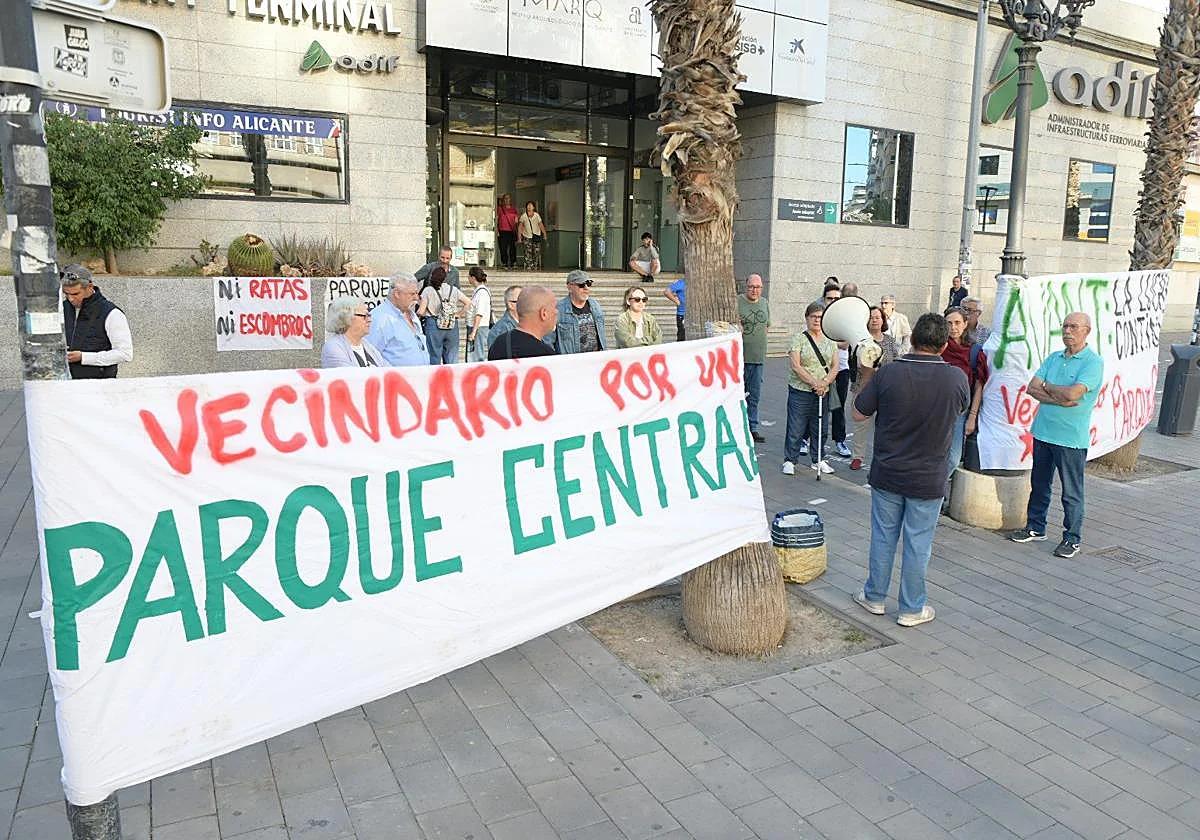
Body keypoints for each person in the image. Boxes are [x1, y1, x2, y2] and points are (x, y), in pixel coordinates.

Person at [852, 314, 968, 627]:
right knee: (919, 545)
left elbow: (858, 413)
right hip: (929, 476)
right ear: (944, 345)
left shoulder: (888, 373)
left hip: (889, 471)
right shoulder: (956, 378)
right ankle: (911, 608)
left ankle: (874, 597)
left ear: (913, 339)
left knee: (883, 537)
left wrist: (867, 375)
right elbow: (959, 410)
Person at [1008, 312, 1104, 559]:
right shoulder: (1054, 357)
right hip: (1043, 432)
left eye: (1073, 327)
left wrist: (1049, 389)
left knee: (1071, 492)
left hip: (1070, 439)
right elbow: (1032, 387)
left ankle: (1072, 538)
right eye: (1064, 326)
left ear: (1087, 330)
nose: (1067, 331)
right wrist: (1057, 396)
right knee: (1039, 484)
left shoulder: (1092, 362)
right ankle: (1035, 527)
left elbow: (1074, 394)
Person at [783, 301, 838, 476]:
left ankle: (818, 459)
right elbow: (796, 366)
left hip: (823, 391)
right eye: (813, 316)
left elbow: (835, 365)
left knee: (820, 427)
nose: (816, 320)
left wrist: (825, 382)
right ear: (806, 318)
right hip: (801, 390)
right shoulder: (798, 339)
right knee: (796, 426)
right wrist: (815, 383)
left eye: (820, 317)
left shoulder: (830, 340)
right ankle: (790, 460)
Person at [941, 307, 989, 484]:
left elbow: (979, 385)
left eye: (957, 323)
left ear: (965, 324)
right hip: (935, 411)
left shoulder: (974, 351)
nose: (953, 327)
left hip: (959, 412)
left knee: (953, 458)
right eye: (949, 323)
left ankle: (932, 488)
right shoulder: (938, 348)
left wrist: (972, 416)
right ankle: (933, 494)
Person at [60, 264, 133, 379]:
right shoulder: (62, 308)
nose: (71, 299)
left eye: (75, 294)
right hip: (66, 385)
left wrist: (83, 357)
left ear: (90, 287)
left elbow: (125, 354)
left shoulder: (112, 313)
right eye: (66, 294)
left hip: (100, 387)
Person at [849, 305, 899, 471]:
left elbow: (896, 361)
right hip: (863, 387)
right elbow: (855, 364)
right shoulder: (861, 342)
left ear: (883, 320)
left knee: (885, 425)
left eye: (878, 317)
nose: (874, 320)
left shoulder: (890, 341)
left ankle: (884, 455)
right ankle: (857, 456)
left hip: (886, 389)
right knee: (861, 425)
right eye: (871, 317)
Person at [367, 273, 429, 367]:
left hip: (419, 378)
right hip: (395, 379)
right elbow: (370, 356)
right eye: (412, 294)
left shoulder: (412, 315)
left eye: (417, 293)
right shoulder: (379, 318)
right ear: (397, 294)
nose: (416, 298)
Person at [738, 274, 770, 443]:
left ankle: (753, 427)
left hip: (758, 358)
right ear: (746, 286)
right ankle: (738, 427)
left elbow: (766, 326)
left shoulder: (764, 303)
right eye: (751, 286)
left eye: (757, 287)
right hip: (741, 358)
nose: (754, 290)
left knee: (754, 395)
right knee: (740, 394)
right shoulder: (738, 302)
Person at [822, 285, 853, 458]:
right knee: (816, 406)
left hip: (841, 369)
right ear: (824, 299)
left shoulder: (845, 319)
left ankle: (840, 441)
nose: (833, 301)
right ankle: (806, 438)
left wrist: (827, 340)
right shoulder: (818, 316)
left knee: (838, 407)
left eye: (836, 298)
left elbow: (845, 343)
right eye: (829, 298)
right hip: (820, 370)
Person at [488, 286, 559, 360]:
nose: (557, 312)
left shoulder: (498, 344)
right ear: (543, 313)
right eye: (554, 307)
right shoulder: (545, 356)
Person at [419, 266, 471, 364]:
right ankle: (452, 377)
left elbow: (421, 311)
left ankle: (436, 378)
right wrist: (459, 314)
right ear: (445, 277)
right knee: (452, 357)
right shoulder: (453, 289)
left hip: (433, 324)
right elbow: (468, 302)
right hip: (451, 324)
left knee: (434, 355)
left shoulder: (428, 290)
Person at [322, 298, 383, 368]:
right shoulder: (333, 347)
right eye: (364, 316)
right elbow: (349, 376)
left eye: (369, 315)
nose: (369, 320)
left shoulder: (368, 346)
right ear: (346, 317)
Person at [554, 270, 606, 353]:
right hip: (571, 363)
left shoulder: (595, 305)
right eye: (581, 285)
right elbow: (548, 341)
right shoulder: (558, 310)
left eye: (588, 284)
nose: (586, 288)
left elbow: (602, 337)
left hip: (595, 361)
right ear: (570, 287)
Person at [466, 267, 493, 362]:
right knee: (474, 354)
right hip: (477, 327)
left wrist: (473, 332)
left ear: (473, 277)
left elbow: (479, 313)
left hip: (479, 328)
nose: (468, 278)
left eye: (469, 276)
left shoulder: (481, 293)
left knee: (477, 354)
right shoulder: (479, 291)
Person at [518, 201, 547, 270]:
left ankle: (534, 266)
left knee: (536, 252)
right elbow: (520, 227)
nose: (529, 207)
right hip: (527, 237)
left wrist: (545, 234)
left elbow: (541, 225)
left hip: (536, 236)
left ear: (533, 207)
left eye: (530, 205)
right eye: (528, 205)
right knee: (527, 253)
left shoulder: (537, 215)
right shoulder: (523, 216)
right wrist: (519, 237)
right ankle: (529, 266)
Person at [496, 194, 519, 269]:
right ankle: (504, 263)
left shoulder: (514, 209)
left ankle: (513, 262)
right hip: (502, 231)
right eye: (505, 198)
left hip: (511, 231)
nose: (506, 200)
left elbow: (516, 221)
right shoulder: (500, 209)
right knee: (503, 248)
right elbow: (496, 219)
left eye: (508, 198)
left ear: (510, 199)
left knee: (512, 248)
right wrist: (497, 231)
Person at [664, 277, 686, 341]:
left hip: (697, 314)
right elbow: (667, 292)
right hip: (682, 315)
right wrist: (677, 302)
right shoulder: (681, 282)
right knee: (682, 338)